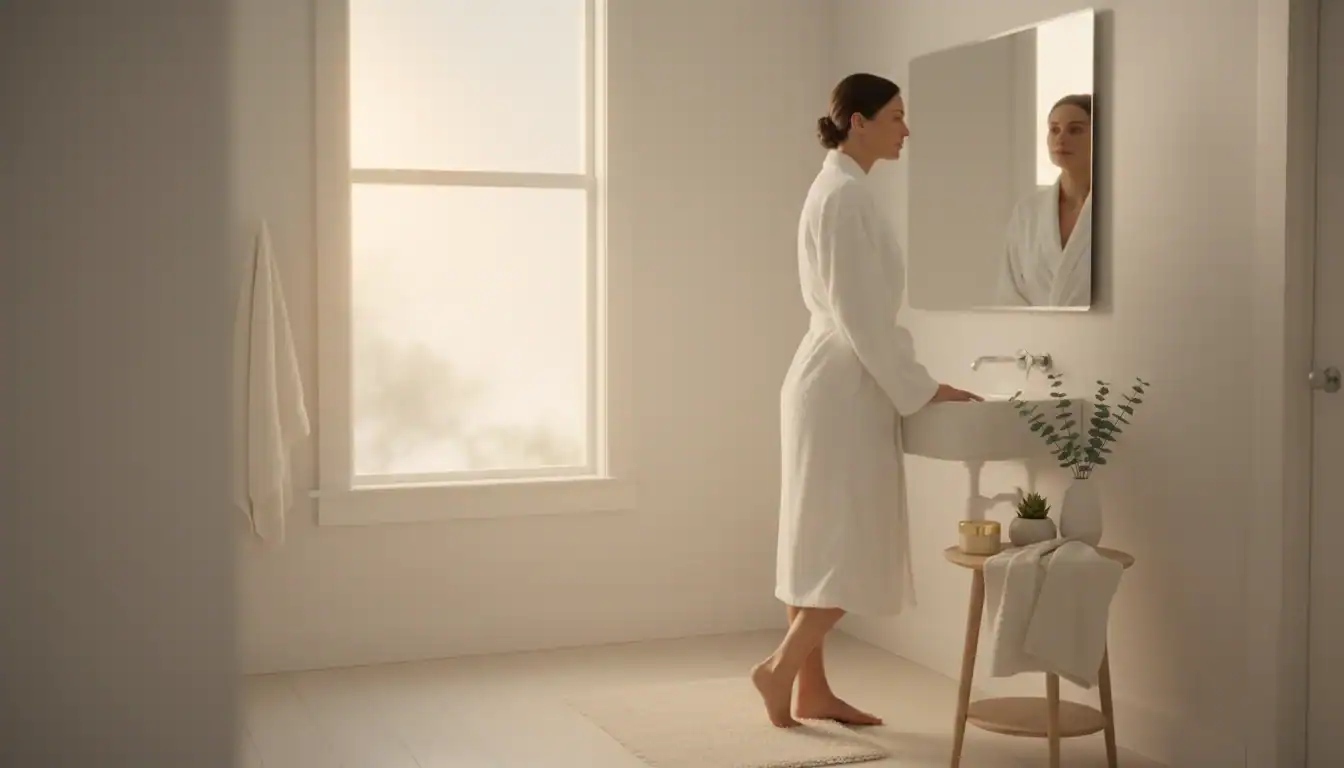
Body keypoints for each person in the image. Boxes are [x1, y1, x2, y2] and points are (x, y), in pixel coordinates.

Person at [752, 73, 982, 729]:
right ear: (858, 122)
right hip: (844, 383)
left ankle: (809, 691)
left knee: (814, 539)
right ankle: (778, 670)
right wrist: (922, 384)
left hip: (828, 377)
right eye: (896, 117)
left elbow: (855, 315)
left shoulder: (837, 190)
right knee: (847, 542)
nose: (906, 130)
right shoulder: (846, 198)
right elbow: (860, 316)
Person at [994, 94, 1094, 307]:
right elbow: (1009, 292)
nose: (1061, 138)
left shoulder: (1121, 210)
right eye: (1054, 129)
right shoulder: (1028, 212)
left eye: (1075, 129)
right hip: (1035, 336)